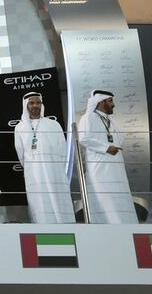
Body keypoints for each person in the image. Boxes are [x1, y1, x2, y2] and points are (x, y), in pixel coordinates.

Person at [13, 92, 75, 223]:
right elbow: (20, 152)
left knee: (60, 201)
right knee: (40, 202)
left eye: (38, 102)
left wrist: (55, 166)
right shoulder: (20, 127)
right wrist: (33, 165)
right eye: (31, 103)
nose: (35, 105)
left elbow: (62, 149)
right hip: (34, 172)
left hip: (55, 171)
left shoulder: (53, 125)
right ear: (26, 106)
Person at [77, 89, 137, 224]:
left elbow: (120, 137)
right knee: (105, 201)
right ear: (100, 102)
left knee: (120, 200)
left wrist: (114, 146)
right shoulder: (88, 118)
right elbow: (84, 138)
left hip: (116, 167)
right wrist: (106, 148)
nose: (113, 104)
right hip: (99, 169)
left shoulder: (111, 120)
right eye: (110, 101)